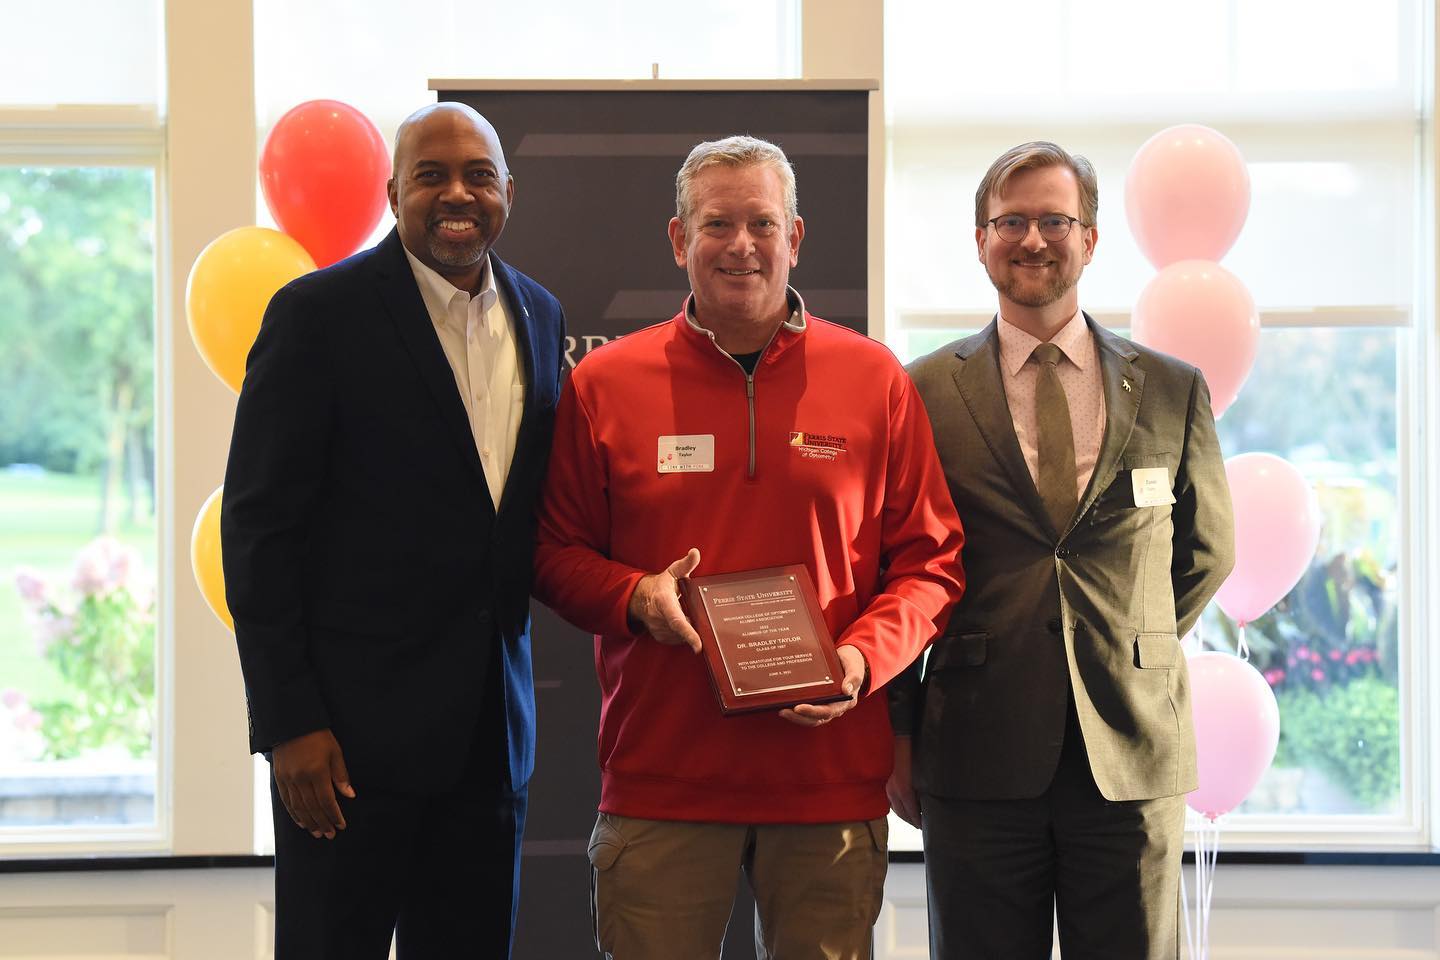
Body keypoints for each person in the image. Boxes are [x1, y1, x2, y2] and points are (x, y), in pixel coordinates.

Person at [532, 135, 965, 959]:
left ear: (795, 237)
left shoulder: (875, 379)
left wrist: (863, 661)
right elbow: (554, 552)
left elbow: (931, 562)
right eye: (717, 223)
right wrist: (632, 597)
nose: (741, 245)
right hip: (662, 778)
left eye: (762, 223)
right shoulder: (604, 384)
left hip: (828, 781)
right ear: (678, 239)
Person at [221, 102, 566, 959]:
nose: (457, 193)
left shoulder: (541, 314)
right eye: (431, 175)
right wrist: (287, 721)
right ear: (393, 192)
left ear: (508, 192)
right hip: (342, 753)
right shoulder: (316, 315)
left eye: (478, 175)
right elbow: (260, 529)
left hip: (491, 744)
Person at [887, 141, 1236, 959]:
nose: (1033, 239)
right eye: (1011, 221)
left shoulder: (1172, 387)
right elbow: (898, 567)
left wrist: (1123, 639)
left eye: (1054, 219)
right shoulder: (920, 391)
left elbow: (1207, 551)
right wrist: (897, 734)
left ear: (1092, 237)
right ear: (980, 239)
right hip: (975, 750)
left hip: (1131, 750)